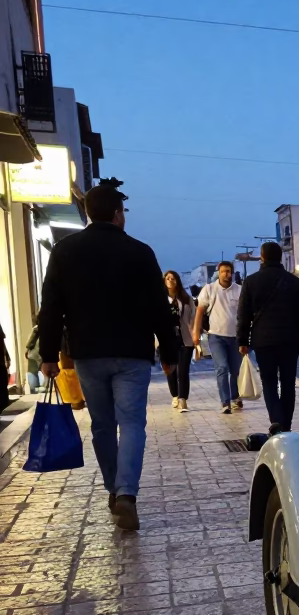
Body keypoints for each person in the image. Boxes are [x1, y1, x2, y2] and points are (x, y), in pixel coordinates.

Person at [38, 182, 177, 531]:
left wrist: (49, 354)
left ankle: (114, 490)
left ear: (88, 213)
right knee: (132, 423)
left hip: (88, 352)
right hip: (132, 353)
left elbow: (51, 308)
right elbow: (159, 308)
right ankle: (127, 493)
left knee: (102, 424)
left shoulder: (64, 251)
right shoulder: (140, 251)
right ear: (118, 215)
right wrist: (170, 352)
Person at [237, 242, 299, 434]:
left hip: (263, 341)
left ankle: (276, 420)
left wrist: (242, 341)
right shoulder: (294, 282)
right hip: (290, 340)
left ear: (262, 257)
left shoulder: (251, 282)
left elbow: (243, 315)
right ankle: (286, 424)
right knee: (288, 383)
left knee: (269, 381)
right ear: (280, 257)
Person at [193, 260, 244, 414]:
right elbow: (200, 312)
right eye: (223, 271)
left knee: (236, 371)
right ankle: (225, 402)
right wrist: (196, 333)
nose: (226, 274)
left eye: (229, 271)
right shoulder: (209, 289)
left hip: (235, 337)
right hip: (216, 336)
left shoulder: (240, 290)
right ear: (218, 272)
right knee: (221, 367)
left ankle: (235, 397)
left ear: (233, 273)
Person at [165, 271, 196, 412]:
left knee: (183, 370)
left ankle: (183, 399)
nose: (171, 280)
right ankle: (175, 395)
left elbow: (194, 318)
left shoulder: (186, 298)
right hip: (167, 340)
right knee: (171, 371)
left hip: (185, 339)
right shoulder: (159, 299)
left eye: (173, 278)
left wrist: (196, 335)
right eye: (168, 278)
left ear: (178, 281)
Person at [24, 314, 44, 394]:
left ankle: (34, 390)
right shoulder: (49, 328)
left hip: (34, 354)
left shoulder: (36, 328)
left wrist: (27, 349)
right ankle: (43, 389)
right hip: (44, 354)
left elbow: (29, 343)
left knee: (32, 372)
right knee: (42, 371)